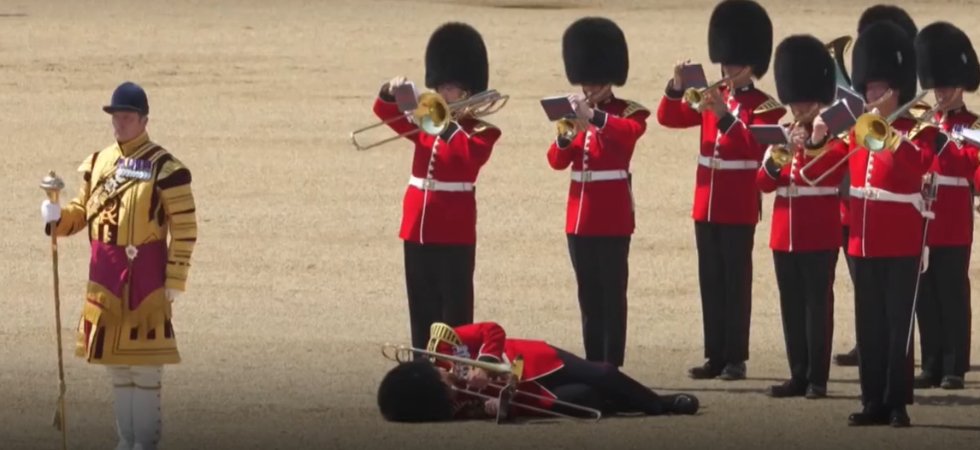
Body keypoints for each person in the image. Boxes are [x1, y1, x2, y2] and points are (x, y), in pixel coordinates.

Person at [39, 81, 198, 449]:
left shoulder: (167, 168)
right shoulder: (98, 163)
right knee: (118, 372)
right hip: (105, 281)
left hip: (146, 285)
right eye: (116, 116)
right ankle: (126, 443)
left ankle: (144, 444)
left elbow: (185, 229)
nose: (120, 123)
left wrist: (175, 277)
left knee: (144, 372)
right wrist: (56, 217)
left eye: (127, 117)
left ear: (144, 119)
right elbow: (81, 214)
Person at [657, 0, 785, 381]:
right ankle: (714, 354)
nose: (726, 69)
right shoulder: (712, 96)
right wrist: (678, 86)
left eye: (733, 63)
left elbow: (754, 148)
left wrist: (724, 117)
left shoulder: (765, 107)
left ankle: (736, 357)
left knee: (735, 282)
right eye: (724, 62)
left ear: (751, 65)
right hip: (706, 202)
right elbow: (669, 117)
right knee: (710, 280)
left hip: (738, 204)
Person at [371, 22, 502, 350]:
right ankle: (423, 374)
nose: (443, 94)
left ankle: (455, 377)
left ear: (467, 92)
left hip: (453, 232)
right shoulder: (426, 124)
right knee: (421, 310)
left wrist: (439, 121)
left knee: (454, 316)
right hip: (416, 228)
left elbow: (465, 160)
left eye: (450, 89)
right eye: (440, 87)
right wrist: (391, 91)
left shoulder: (481, 131)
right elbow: (387, 115)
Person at [845, 21, 940, 428]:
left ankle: (897, 402)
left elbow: (918, 168)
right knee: (869, 328)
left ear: (895, 90)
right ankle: (872, 401)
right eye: (867, 89)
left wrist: (893, 139)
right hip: (863, 241)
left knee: (899, 327)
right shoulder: (858, 130)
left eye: (875, 89)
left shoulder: (919, 130)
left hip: (900, 240)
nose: (869, 96)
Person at [546, 16, 649, 367]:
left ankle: (612, 365)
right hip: (579, 218)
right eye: (585, 81)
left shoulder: (627, 112)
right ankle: (593, 364)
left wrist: (596, 118)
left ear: (609, 80)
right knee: (588, 296)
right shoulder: (575, 115)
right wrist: (567, 134)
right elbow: (557, 162)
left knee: (612, 296)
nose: (589, 87)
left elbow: (627, 135)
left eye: (595, 81)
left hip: (612, 216)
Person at [756, 35, 850, 399]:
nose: (798, 107)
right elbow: (762, 183)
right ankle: (798, 374)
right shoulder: (781, 133)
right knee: (791, 306)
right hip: (784, 234)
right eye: (794, 101)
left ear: (819, 99)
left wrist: (810, 144)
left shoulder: (837, 138)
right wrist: (780, 152)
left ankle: (818, 379)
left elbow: (818, 175)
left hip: (818, 233)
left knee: (817, 307)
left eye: (805, 101)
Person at [377, 322, 699, 422]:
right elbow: (497, 410)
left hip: (532, 359)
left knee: (602, 373)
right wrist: (496, 410)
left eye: (446, 382)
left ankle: (661, 404)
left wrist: (486, 368)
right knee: (589, 400)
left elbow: (491, 330)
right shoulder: (452, 406)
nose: (454, 386)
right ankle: (635, 406)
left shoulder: (444, 345)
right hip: (529, 393)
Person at [835, 3, 919, 368]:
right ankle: (868, 351)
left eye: (878, 87)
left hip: (899, 225)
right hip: (858, 217)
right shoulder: (858, 116)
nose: (872, 93)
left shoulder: (911, 127)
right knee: (866, 295)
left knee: (900, 302)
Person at [911, 21, 980, 390]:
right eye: (937, 85)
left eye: (947, 86)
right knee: (926, 294)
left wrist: (943, 142)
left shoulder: (973, 126)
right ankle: (932, 363)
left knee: (952, 292)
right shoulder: (923, 122)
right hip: (923, 218)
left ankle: (955, 366)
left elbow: (972, 164)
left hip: (952, 219)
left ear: (961, 86)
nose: (940, 92)